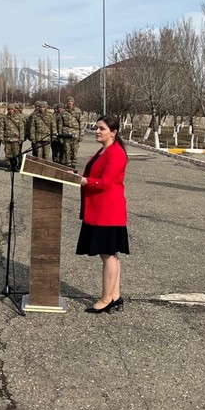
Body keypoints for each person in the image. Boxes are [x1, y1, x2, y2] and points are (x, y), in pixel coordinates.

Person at [76, 115, 129, 314]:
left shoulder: (116, 153)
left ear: (113, 133)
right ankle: (115, 296)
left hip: (108, 212)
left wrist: (83, 181)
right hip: (100, 210)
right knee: (110, 254)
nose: (97, 131)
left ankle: (107, 298)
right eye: (96, 128)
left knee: (108, 255)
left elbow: (105, 182)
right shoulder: (104, 150)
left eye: (102, 129)